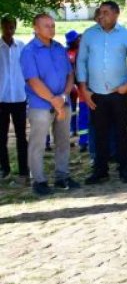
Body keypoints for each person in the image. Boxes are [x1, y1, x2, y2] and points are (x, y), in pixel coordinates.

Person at [76, 1, 127, 184]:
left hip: (118, 92)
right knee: (99, 132)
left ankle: (124, 168)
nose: (101, 16)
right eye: (100, 12)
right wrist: (83, 88)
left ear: (116, 14)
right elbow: (81, 61)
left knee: (121, 132)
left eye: (105, 12)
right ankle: (100, 170)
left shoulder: (126, 35)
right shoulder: (89, 34)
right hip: (95, 93)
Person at [20, 13, 79, 195]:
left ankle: (62, 176)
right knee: (37, 143)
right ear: (36, 28)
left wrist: (62, 97)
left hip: (63, 101)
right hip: (41, 105)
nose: (51, 29)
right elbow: (33, 81)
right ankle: (39, 180)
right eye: (46, 26)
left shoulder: (59, 48)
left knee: (63, 141)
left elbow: (70, 74)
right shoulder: (29, 51)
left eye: (53, 25)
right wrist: (55, 101)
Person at [0, 15, 28, 182]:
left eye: (12, 27)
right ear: (2, 27)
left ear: (15, 28)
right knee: (1, 137)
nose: (9, 30)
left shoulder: (22, 47)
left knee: (21, 136)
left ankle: (24, 169)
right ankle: (5, 168)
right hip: (1, 99)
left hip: (19, 97)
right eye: (6, 27)